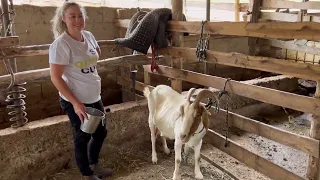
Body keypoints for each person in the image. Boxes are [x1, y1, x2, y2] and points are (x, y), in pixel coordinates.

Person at [48, 1, 112, 180]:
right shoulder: (61, 45)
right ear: (63, 19)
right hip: (75, 99)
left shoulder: (89, 36)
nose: (77, 20)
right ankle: (87, 174)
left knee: (100, 132)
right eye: (72, 16)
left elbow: (96, 53)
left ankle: (94, 164)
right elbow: (56, 77)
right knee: (82, 137)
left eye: (80, 15)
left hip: (94, 95)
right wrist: (76, 103)